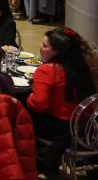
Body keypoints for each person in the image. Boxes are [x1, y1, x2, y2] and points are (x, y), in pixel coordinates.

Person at [28, 28, 97, 172]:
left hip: (59, 129)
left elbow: (38, 105)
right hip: (86, 128)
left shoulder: (47, 70)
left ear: (57, 52)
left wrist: (29, 98)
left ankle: (27, 160)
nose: (40, 47)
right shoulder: (82, 68)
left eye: (45, 45)